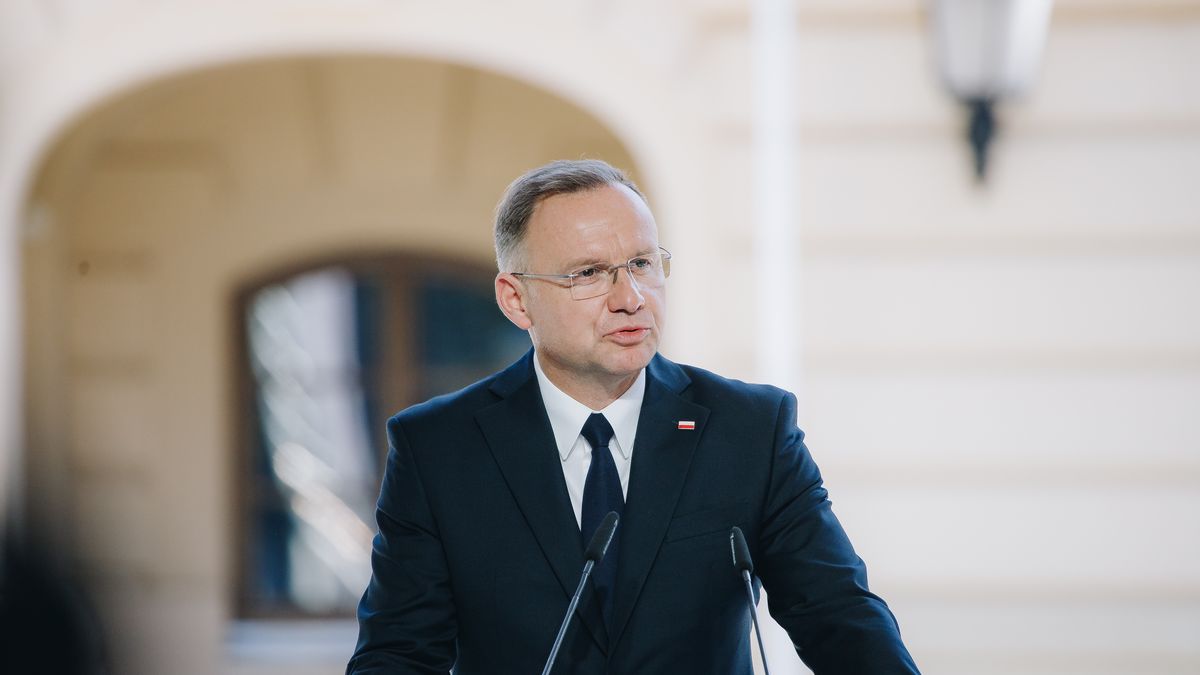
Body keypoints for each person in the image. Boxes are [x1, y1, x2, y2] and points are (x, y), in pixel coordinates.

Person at [347, 159, 919, 674]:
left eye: (642, 263)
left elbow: (840, 617)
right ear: (515, 299)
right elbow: (399, 654)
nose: (631, 297)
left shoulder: (750, 429)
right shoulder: (439, 447)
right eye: (589, 274)